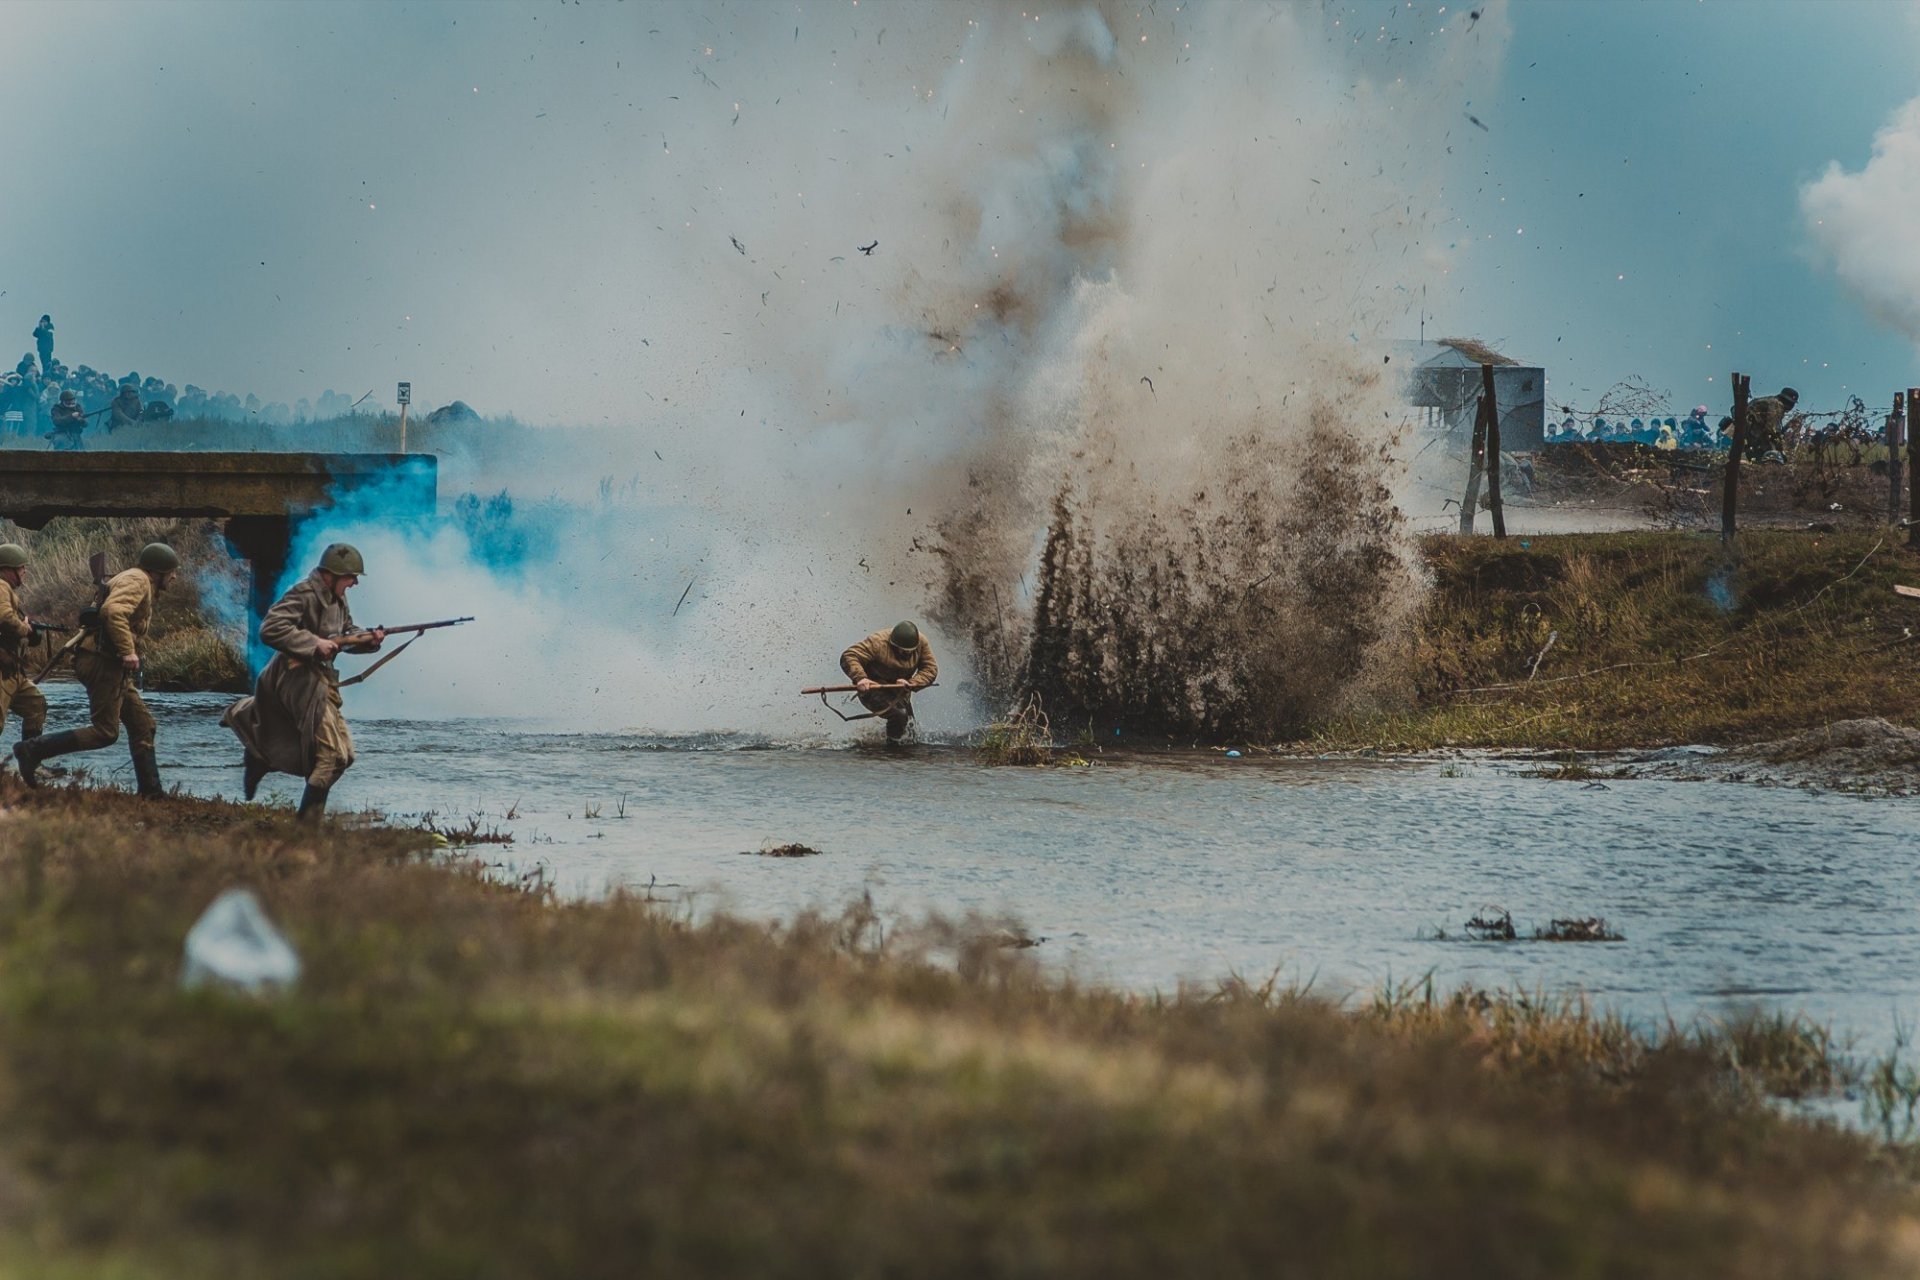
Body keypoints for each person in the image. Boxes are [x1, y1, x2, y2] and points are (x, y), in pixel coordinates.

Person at [221, 543, 385, 821]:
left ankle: (261, 759)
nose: (355, 582)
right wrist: (313, 643)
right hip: (294, 678)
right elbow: (270, 628)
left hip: (319, 681)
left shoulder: (338, 599)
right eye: (351, 577)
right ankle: (306, 827)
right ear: (331, 575)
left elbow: (345, 633)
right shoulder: (303, 594)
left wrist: (369, 640)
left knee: (345, 756)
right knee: (331, 755)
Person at [15, 542, 180, 797]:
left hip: (105, 662)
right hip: (103, 662)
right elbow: (113, 612)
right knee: (105, 732)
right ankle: (33, 749)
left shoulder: (133, 578)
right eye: (171, 571)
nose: (175, 576)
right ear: (158, 571)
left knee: (143, 724)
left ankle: (151, 792)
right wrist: (128, 650)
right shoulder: (138, 581)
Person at [840, 620, 937, 742]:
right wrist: (860, 678)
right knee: (899, 716)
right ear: (893, 645)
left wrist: (912, 683)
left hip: (900, 692)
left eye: (910, 651)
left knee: (910, 731)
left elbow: (930, 669)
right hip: (873, 689)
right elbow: (849, 656)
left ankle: (897, 748)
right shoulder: (877, 642)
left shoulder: (921, 643)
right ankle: (892, 750)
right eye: (903, 651)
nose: (907, 654)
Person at [0, 544, 48, 761]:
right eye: (21, 568)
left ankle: (31, 764)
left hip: (12, 670)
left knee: (35, 705)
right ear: (8, 570)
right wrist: (24, 628)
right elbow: (4, 617)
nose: (24, 572)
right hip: (3, 669)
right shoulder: (1, 585)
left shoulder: (7, 590)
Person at [1736, 386, 1798, 456]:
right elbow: (1772, 430)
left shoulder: (1772, 401)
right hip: (1750, 429)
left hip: (1749, 428)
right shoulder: (1777, 405)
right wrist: (1779, 448)